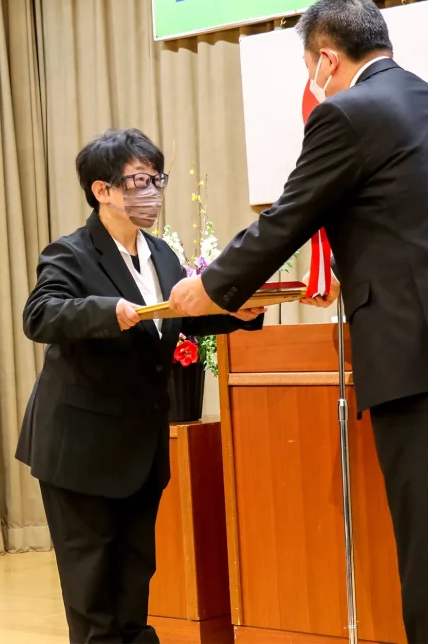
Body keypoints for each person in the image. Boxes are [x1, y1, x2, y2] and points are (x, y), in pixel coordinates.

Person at [168, 0, 428, 644]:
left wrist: (212, 290)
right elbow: (420, 230)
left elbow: (288, 218)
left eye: (310, 65)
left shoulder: (346, 114)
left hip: (425, 361)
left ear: (327, 60)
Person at [16, 128, 264, 643]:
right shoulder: (70, 253)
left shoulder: (161, 255)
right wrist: (109, 312)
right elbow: (40, 316)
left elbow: (178, 320)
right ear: (101, 190)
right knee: (92, 591)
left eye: (156, 179)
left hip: (139, 449)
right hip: (80, 449)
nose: (151, 191)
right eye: (137, 181)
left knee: (134, 579)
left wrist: (233, 312)